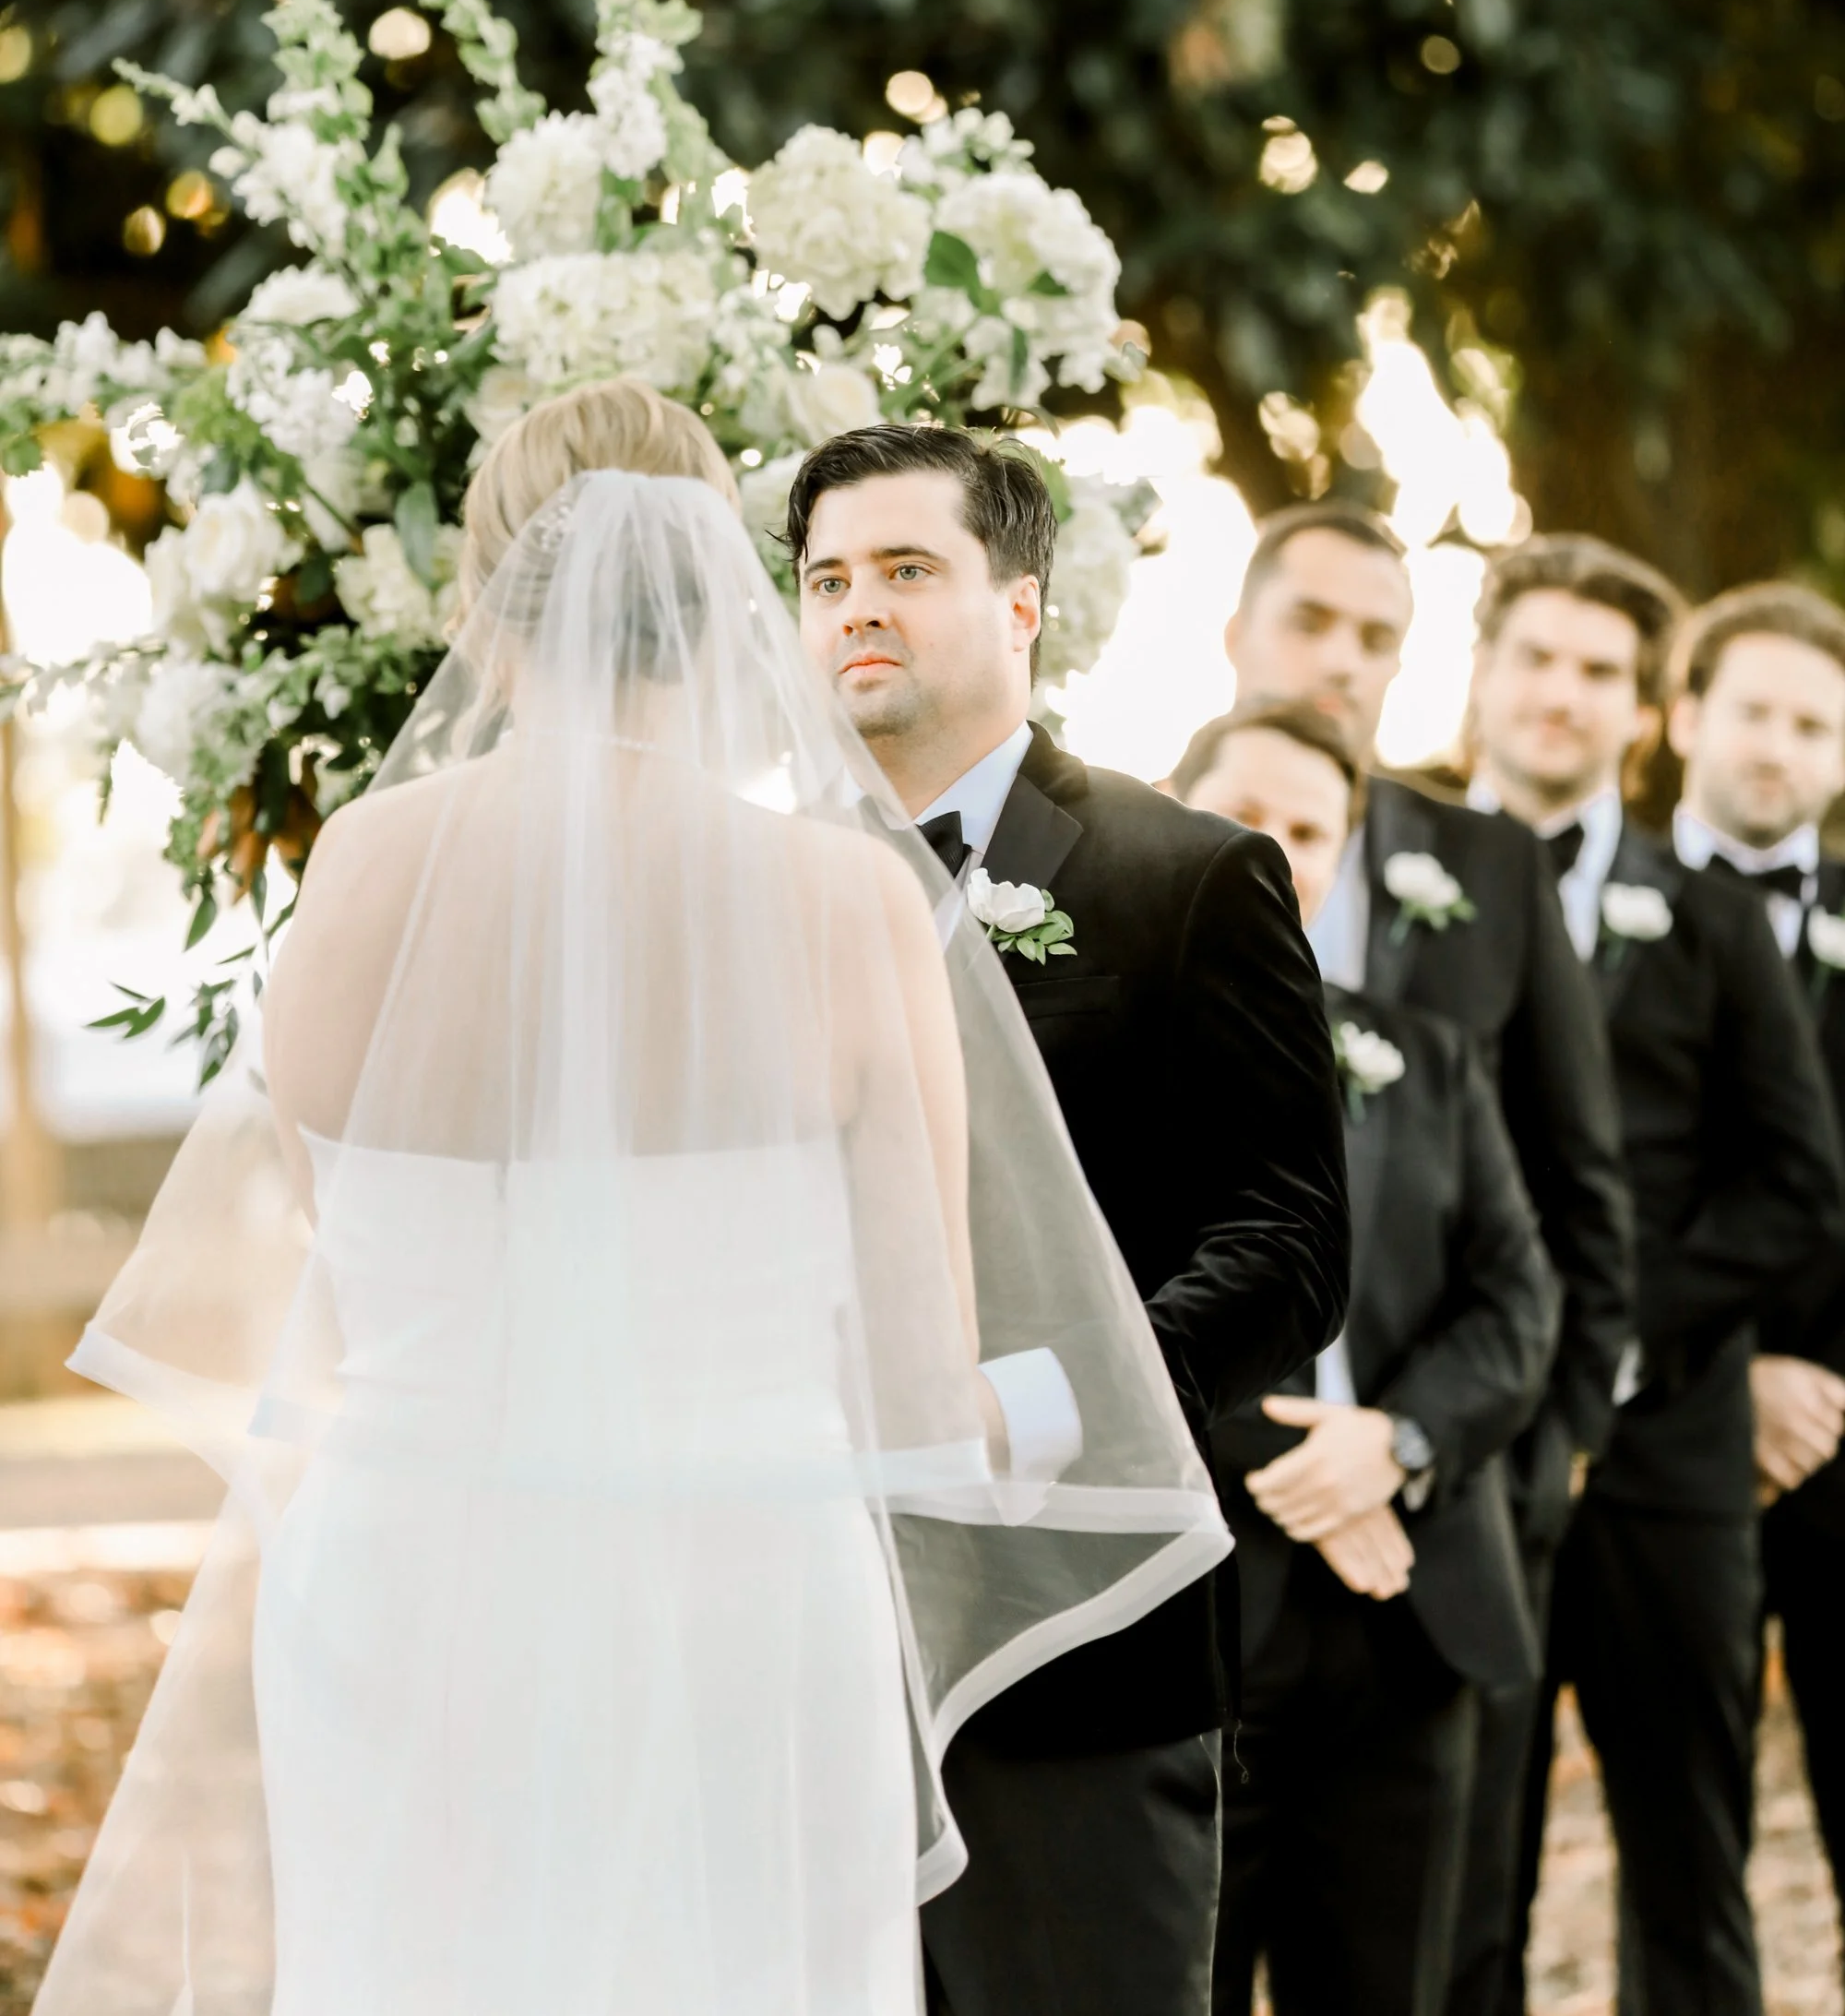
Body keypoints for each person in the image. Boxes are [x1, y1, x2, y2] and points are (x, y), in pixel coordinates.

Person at [35, 380, 1233, 2016]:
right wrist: (1068, 1400)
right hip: (737, 1578)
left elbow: (326, 1250)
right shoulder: (844, 904)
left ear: (480, 599)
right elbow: (918, 1396)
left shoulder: (363, 873)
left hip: (400, 1566)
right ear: (725, 603)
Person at [790, 423, 1350, 2016]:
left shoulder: (1189, 877)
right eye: (828, 579)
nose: (857, 611)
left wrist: (1027, 1406)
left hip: (1083, 1660)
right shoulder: (743, 889)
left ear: (1023, 605)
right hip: (801, 1641)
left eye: (907, 570)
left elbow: (1288, 1238)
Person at [1221, 501, 1631, 2016]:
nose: (1344, 660)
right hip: (1213, 1557)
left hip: (1436, 1534)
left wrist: (1504, 1462)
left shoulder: (1487, 872)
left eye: (1379, 636)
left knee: (1445, 1966)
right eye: (1313, 621)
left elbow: (1570, 1216)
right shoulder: (1120, 885)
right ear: (1239, 630)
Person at [1469, 533, 1845, 2016]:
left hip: (1667, 1456)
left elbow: (1800, 1185)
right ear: (1486, 672)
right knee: (1462, 1862)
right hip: (1465, 1459)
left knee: (1691, 1861)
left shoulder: (1709, 921)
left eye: (1598, 672)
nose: (1564, 696)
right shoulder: (1391, 875)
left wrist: (1608, 1331)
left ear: (1641, 708)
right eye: (1538, 660)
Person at [1175, 699, 1558, 2016]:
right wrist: (1306, 1466)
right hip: (1203, 1617)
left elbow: (1519, 1306)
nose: (1276, 851)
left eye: (1311, 829)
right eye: (1248, 816)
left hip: (1413, 1620)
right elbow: (1100, 1314)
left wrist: (1390, 1443)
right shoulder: (1106, 1057)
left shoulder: (1431, 1059)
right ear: (1177, 823)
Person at [1668, 580, 1845, 1947]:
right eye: (1754, 712)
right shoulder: (1584, 897)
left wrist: (1815, 1373)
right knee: (1683, 1828)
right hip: (1657, 1419)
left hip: (1842, 1429)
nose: (1778, 746)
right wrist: (1724, 1368)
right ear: (1685, 719)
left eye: (1813, 723)